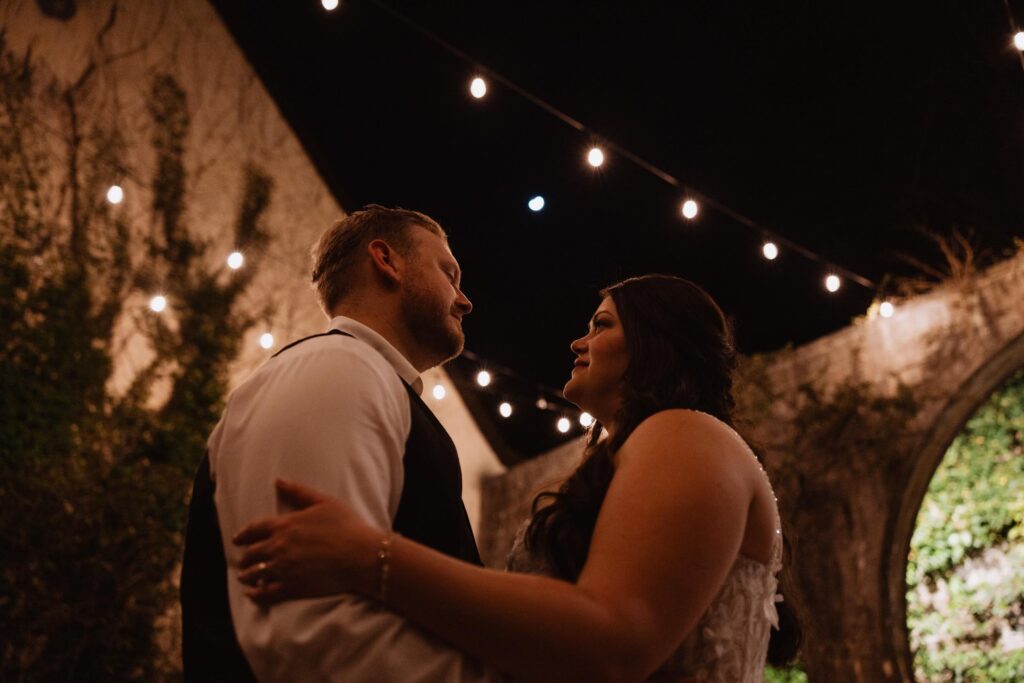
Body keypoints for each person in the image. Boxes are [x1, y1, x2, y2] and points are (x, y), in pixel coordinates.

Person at [231, 274, 800, 682]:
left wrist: (371, 557)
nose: (578, 343)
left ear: (655, 343)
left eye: (600, 325)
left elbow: (615, 639)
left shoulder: (685, 433)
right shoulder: (635, 454)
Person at [180, 205, 504, 681]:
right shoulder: (337, 368)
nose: (464, 300)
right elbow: (313, 638)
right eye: (448, 273)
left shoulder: (370, 380)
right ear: (387, 261)